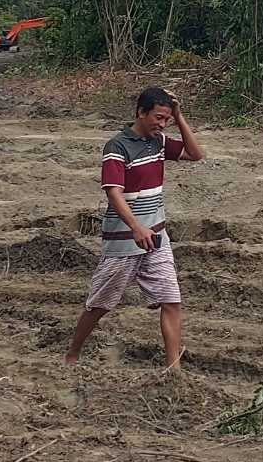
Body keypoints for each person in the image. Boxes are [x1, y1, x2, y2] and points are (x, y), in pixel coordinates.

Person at [64, 86, 204, 369]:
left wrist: (179, 116)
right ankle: (72, 353)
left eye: (166, 119)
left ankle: (173, 370)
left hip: (157, 238)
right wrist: (136, 227)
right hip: (123, 241)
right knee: (100, 304)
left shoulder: (159, 142)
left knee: (171, 301)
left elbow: (195, 154)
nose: (162, 124)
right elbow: (113, 192)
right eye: (158, 117)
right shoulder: (117, 147)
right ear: (141, 112)